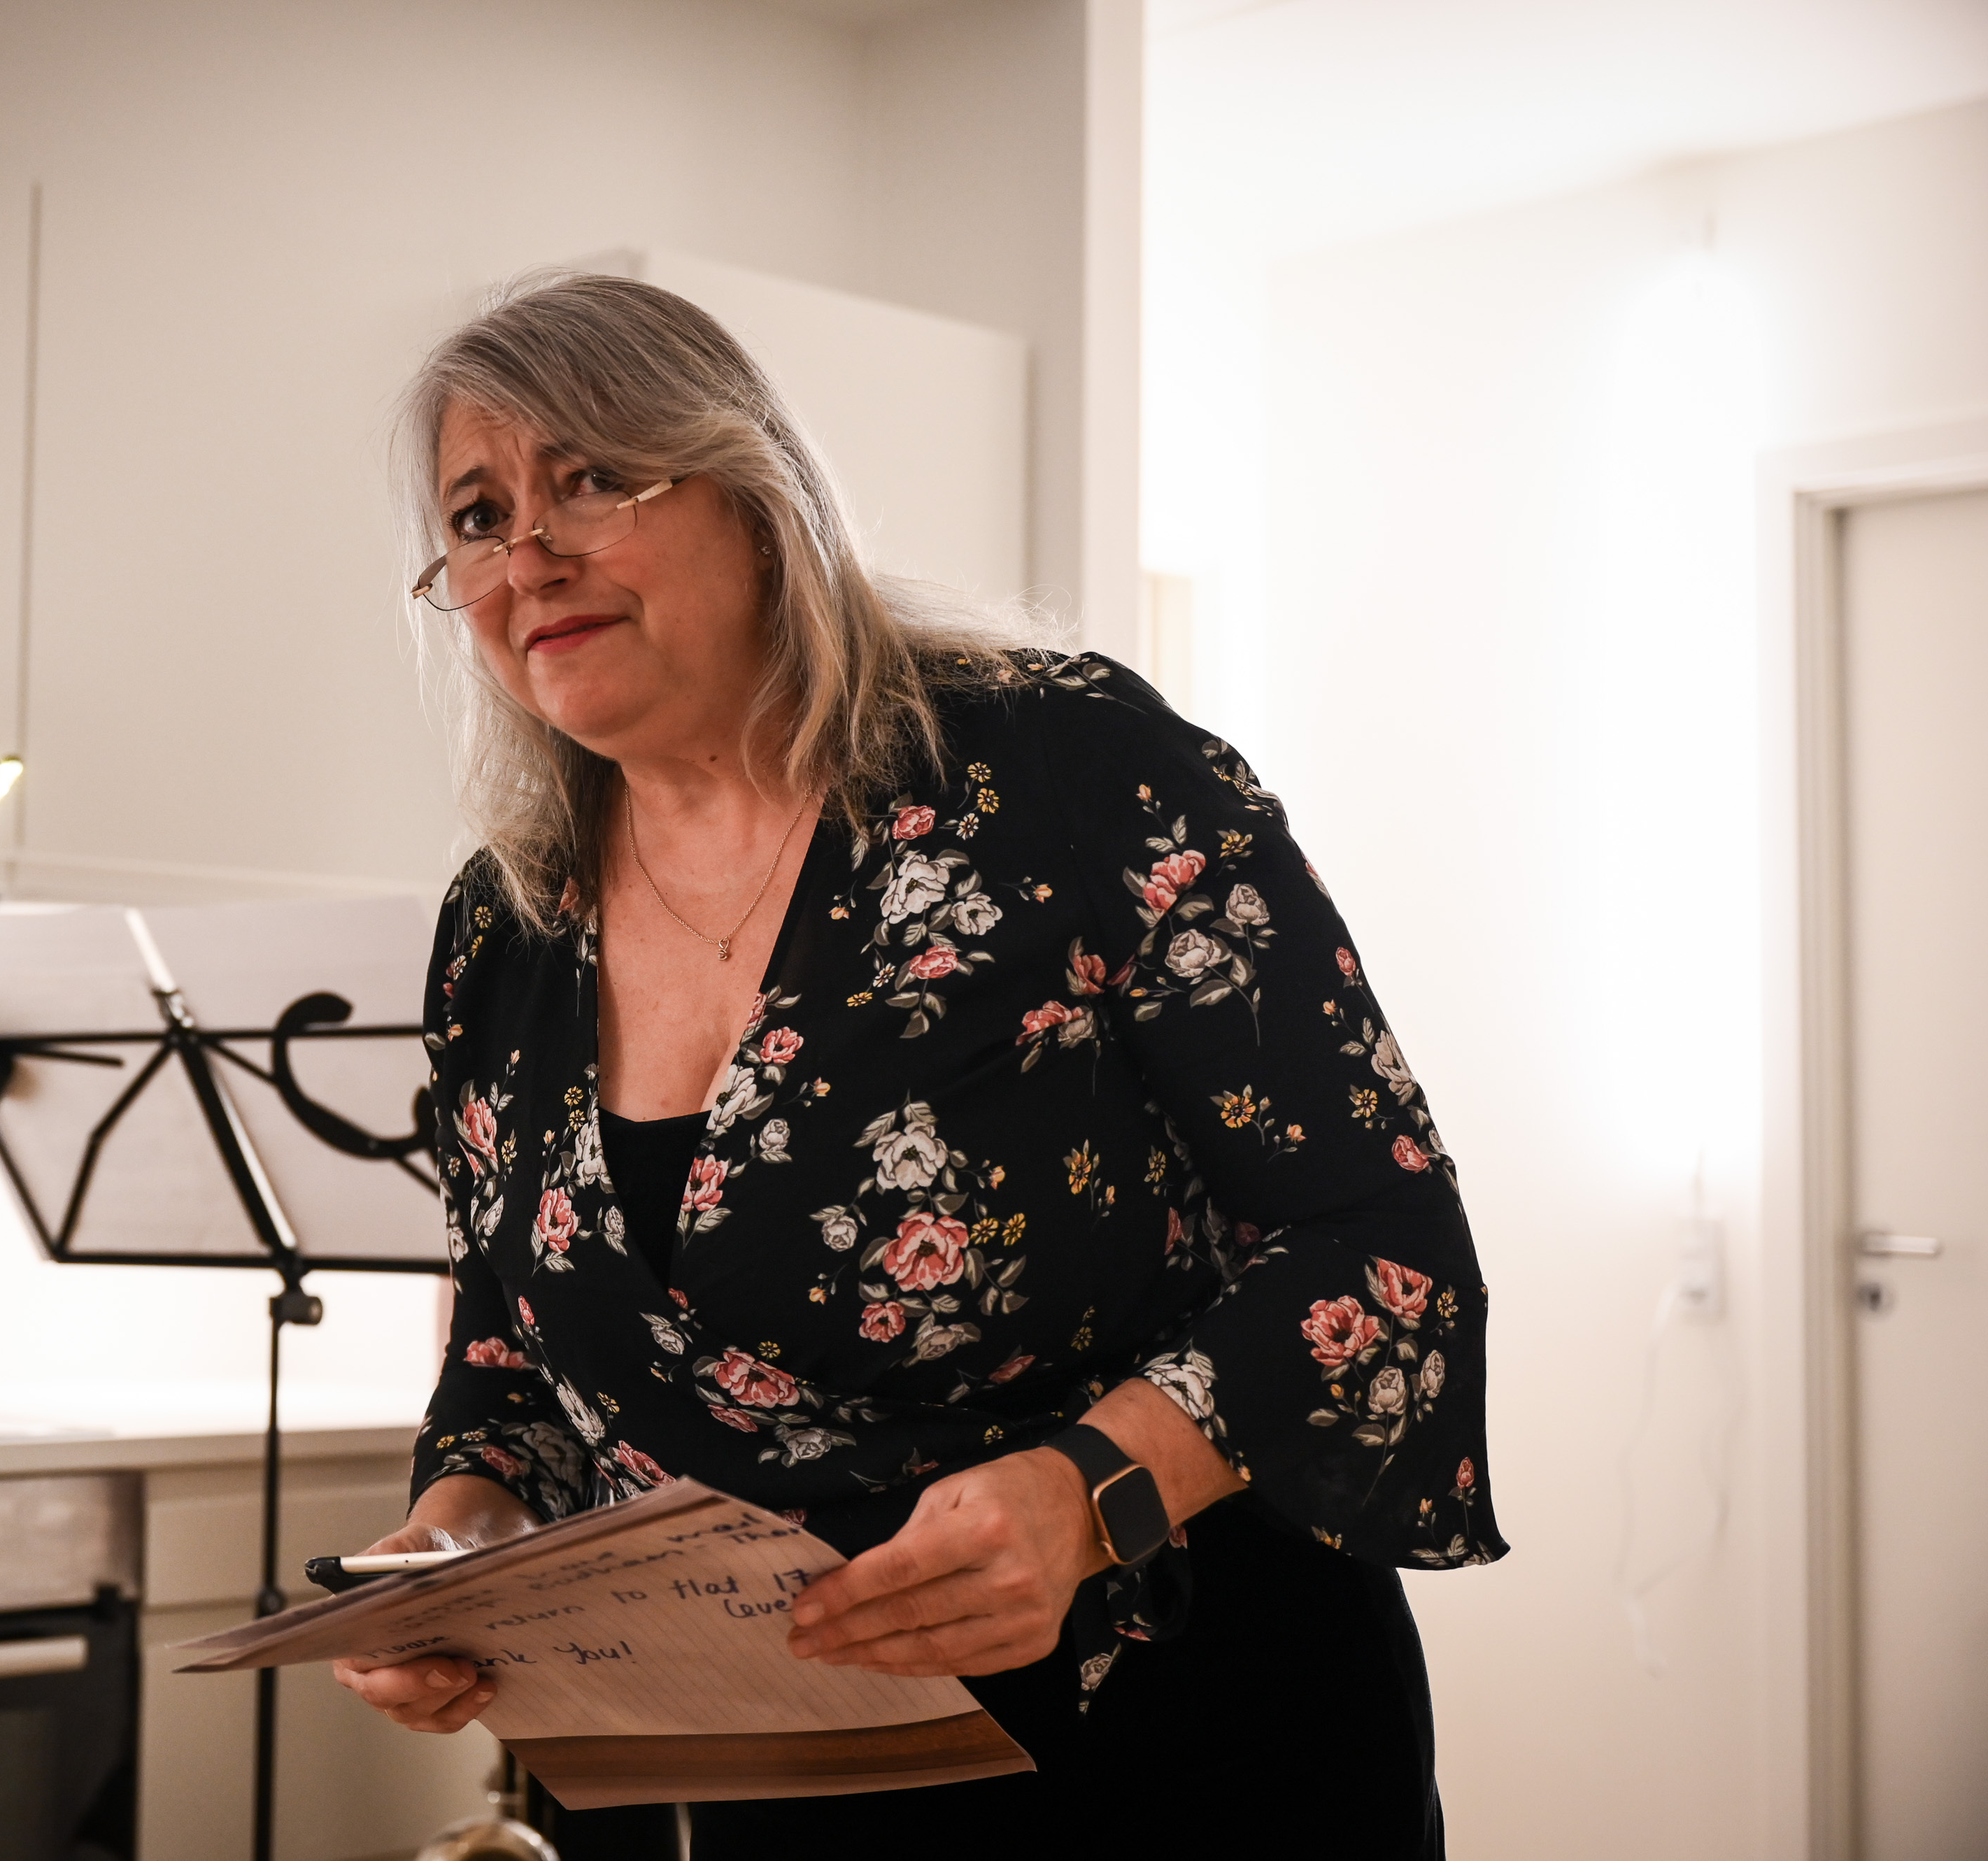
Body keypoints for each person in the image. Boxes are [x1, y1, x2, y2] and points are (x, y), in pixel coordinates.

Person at [334, 273, 1504, 1858]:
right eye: (477, 515)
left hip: (1184, 1728)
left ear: (755, 498)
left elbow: (1381, 1240)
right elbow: (511, 1352)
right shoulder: (503, 929)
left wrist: (1091, 1492)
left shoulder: (1069, 769)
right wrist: (454, 1541)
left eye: (592, 478)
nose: (527, 553)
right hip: (779, 1770)